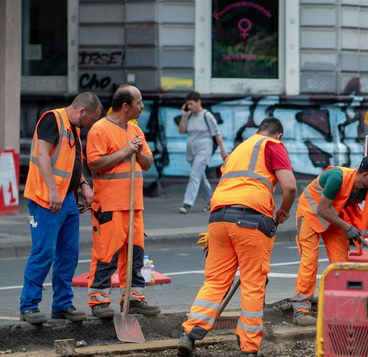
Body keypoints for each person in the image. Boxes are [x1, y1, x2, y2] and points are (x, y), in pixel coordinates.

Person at [178, 117, 297, 357]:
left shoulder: (238, 150)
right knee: (253, 283)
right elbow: (290, 187)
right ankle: (248, 347)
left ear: (257, 131)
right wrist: (284, 210)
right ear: (279, 135)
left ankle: (189, 334)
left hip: (219, 217)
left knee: (215, 281)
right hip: (252, 219)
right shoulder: (273, 145)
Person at [19, 92, 103, 325]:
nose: (91, 125)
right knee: (43, 251)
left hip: (67, 198)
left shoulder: (73, 128)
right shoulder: (52, 119)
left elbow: (74, 163)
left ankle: (62, 305)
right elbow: (42, 156)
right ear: (82, 111)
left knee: (68, 254)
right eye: (91, 120)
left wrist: (84, 184)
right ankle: (29, 306)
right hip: (47, 198)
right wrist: (53, 191)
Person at [291, 155, 368, 325]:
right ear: (365, 176)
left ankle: (337, 306)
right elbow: (322, 209)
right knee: (309, 259)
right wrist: (347, 228)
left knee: (341, 263)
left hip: (334, 216)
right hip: (310, 212)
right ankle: (301, 309)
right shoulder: (337, 178)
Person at [85, 85, 161, 319]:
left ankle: (134, 298)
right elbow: (94, 164)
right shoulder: (100, 129)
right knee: (106, 254)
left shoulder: (135, 130)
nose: (142, 106)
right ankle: (98, 301)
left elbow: (147, 163)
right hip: (109, 205)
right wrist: (124, 150)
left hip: (134, 205)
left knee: (135, 255)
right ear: (126, 106)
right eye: (139, 102)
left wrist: (137, 152)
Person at [177, 91, 228, 214]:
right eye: (187, 104)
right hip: (191, 151)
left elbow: (217, 134)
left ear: (199, 102)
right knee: (200, 176)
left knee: (194, 175)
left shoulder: (207, 116)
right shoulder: (189, 116)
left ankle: (187, 203)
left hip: (204, 150)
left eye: (191, 104)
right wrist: (184, 115)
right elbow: (181, 131)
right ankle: (212, 200)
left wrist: (222, 150)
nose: (189, 107)